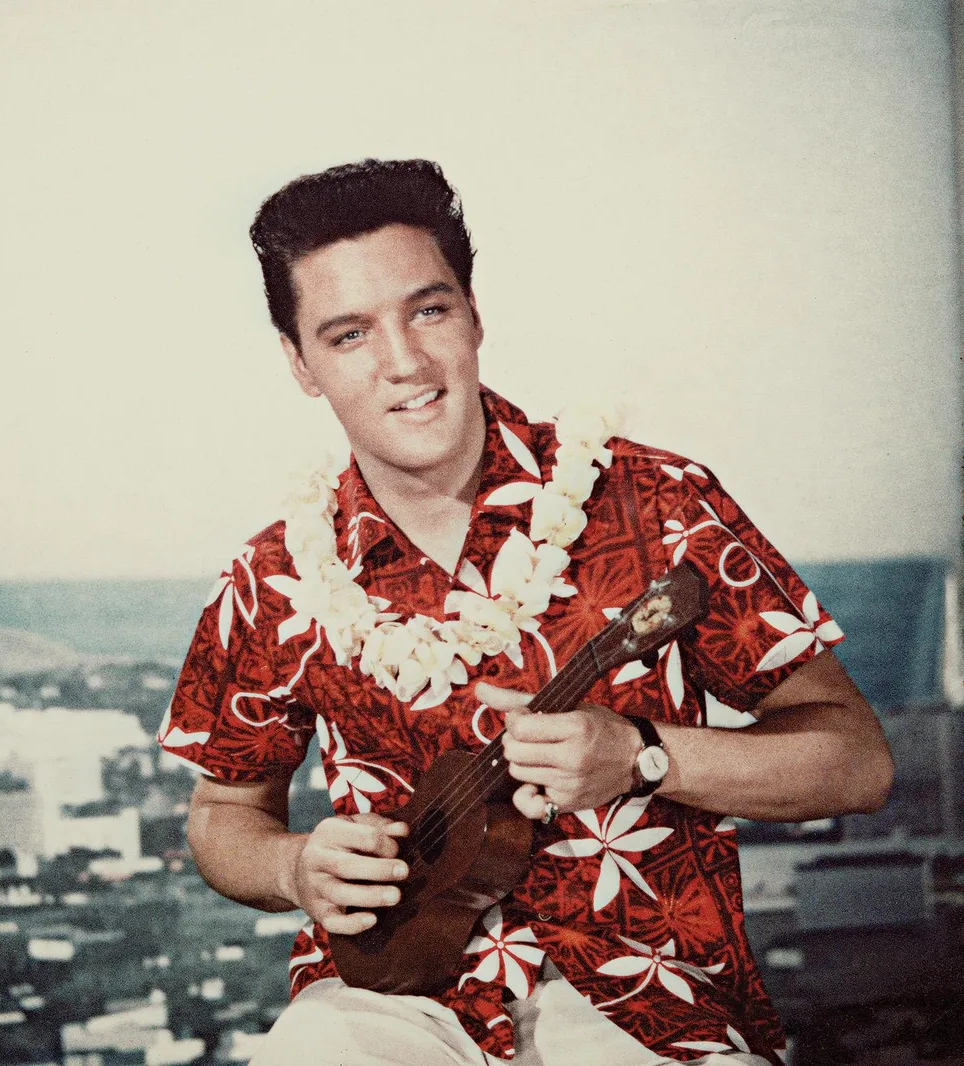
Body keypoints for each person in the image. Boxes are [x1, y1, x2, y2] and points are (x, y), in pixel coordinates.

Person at [158, 159, 893, 1065]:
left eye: (428, 311)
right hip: (388, 997)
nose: (405, 363)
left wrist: (642, 754)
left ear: (473, 314)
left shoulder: (655, 502)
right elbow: (223, 811)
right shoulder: (274, 577)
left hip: (651, 1000)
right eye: (349, 334)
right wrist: (289, 867)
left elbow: (857, 763)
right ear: (301, 363)